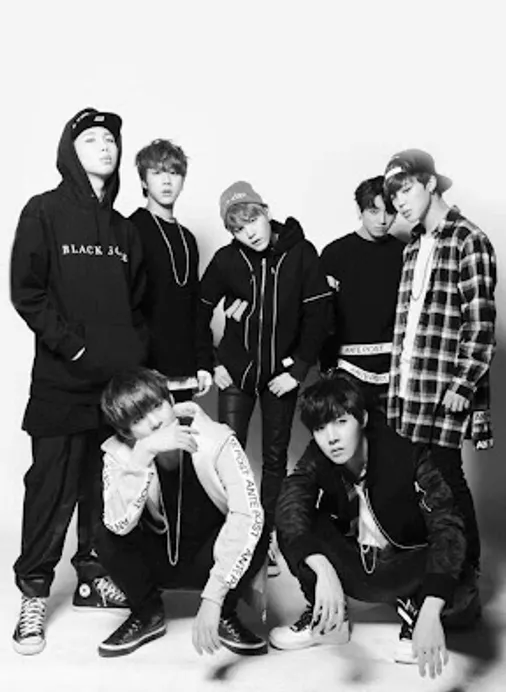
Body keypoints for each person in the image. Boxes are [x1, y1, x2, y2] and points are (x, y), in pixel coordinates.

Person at [10, 107, 148, 655]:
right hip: (61, 381)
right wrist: (76, 347)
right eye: (91, 139)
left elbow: (138, 305)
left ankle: (95, 575)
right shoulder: (43, 211)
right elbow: (27, 291)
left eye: (110, 139)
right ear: (71, 151)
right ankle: (33, 594)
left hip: (113, 389)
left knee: (102, 485)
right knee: (51, 488)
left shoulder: (123, 229)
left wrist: (129, 357)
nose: (105, 146)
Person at [271, 372, 467, 679]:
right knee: (293, 520)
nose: (331, 438)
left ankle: (418, 613)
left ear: (362, 418)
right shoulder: (318, 455)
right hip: (357, 567)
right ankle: (328, 620)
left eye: (341, 422)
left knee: (460, 577)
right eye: (320, 428)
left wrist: (431, 610)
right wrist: (321, 568)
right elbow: (290, 501)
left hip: (406, 566)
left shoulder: (406, 454)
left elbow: (447, 525)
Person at [199, 181, 332, 574]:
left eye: (253, 220)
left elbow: (318, 315)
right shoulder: (227, 260)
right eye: (238, 228)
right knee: (227, 455)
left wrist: (298, 370)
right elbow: (198, 310)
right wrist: (212, 361)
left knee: (275, 459)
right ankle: (232, 536)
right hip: (236, 375)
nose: (250, 232)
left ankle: (267, 538)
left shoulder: (301, 253)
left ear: (266, 212)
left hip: (280, 377)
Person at [383, 149, 496, 589]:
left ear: (430, 183)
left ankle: (466, 577)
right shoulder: (413, 246)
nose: (400, 202)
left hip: (446, 385)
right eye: (393, 196)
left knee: (448, 479)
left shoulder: (469, 239)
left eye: (406, 189)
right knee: (421, 482)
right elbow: (409, 322)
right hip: (411, 383)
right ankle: (436, 574)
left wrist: (463, 384)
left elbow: (480, 322)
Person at [97, 368, 268, 658]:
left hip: (209, 557)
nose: (154, 422)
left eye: (157, 406)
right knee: (104, 528)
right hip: (157, 561)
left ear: (170, 400)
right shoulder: (119, 453)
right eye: (138, 420)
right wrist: (142, 455)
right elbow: (118, 524)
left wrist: (214, 598)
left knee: (257, 525)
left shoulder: (217, 440)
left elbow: (247, 515)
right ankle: (147, 613)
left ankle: (225, 613)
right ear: (126, 432)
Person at [130, 138, 213, 402]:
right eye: (157, 173)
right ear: (144, 181)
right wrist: (136, 364)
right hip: (143, 369)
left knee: (185, 429)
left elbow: (196, 305)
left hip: (184, 368)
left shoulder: (187, 238)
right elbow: (124, 304)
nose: (166, 181)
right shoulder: (130, 230)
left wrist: (204, 362)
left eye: (174, 173)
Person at [320, 175, 404, 416]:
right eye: (373, 211)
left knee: (392, 439)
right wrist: (327, 364)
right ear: (359, 211)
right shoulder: (334, 254)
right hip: (346, 369)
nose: (382, 220)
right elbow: (322, 315)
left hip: (395, 369)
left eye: (390, 212)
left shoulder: (405, 253)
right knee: (349, 436)